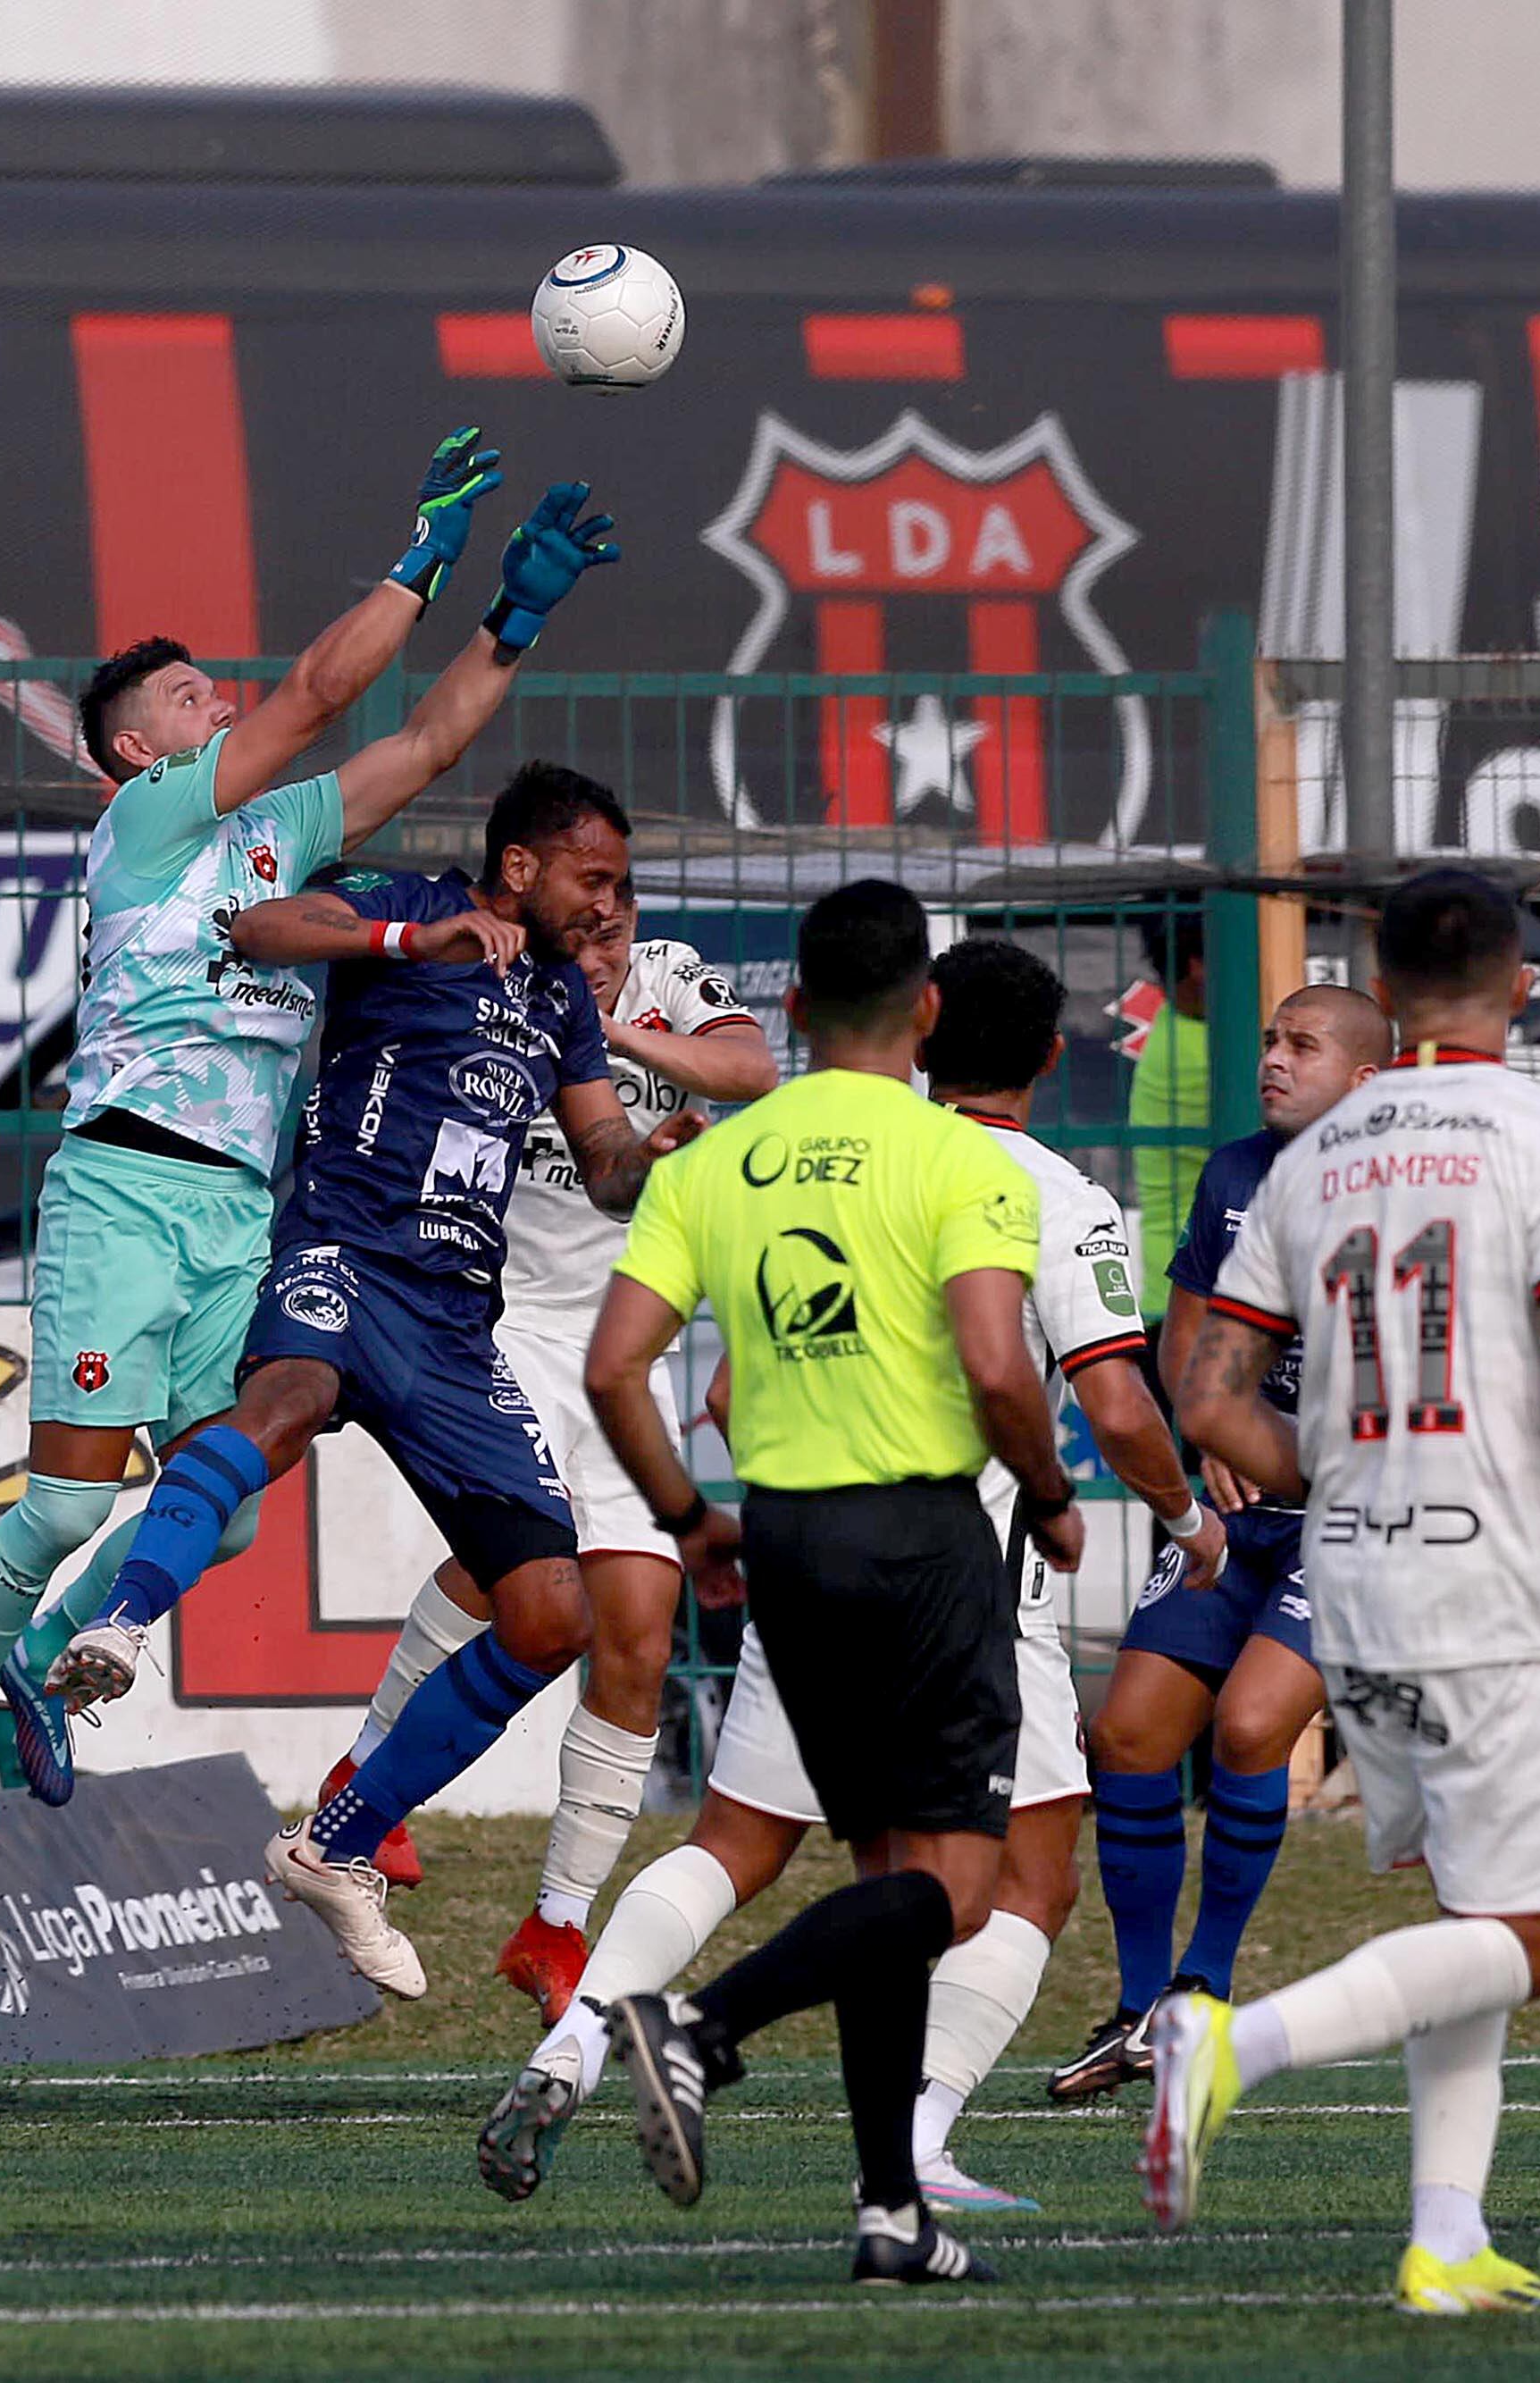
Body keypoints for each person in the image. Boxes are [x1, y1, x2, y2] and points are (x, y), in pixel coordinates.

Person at [0, 440, 624, 1861]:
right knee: (61, 1498)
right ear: (132, 750)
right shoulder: (150, 820)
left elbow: (425, 744)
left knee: (220, 1517)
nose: (215, 703)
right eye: (186, 699)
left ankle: (52, 1657)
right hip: (125, 1173)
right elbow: (321, 692)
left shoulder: (276, 839)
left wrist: (512, 618)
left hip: (240, 1209)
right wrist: (421, 554)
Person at [477, 935, 1224, 2226]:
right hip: (963, 1586)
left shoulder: (773, 1158)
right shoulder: (1035, 1189)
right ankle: (879, 2122)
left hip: (791, 1547)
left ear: (920, 1031)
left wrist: (695, 1517)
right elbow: (1100, 1390)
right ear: (1050, 1055)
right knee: (1005, 1880)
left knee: (736, 1843)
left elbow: (704, 1386)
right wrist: (1169, 1511)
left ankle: (574, 2052)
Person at [1156, 868, 1540, 2315]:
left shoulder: (1309, 1159)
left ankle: (1446, 2238)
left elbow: (1210, 1393)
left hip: (1351, 1575)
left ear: (1384, 987)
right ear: (1521, 983)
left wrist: (1329, 1473)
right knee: (1533, 1940)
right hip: (1483, 1577)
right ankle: (1231, 2042)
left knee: (1475, 1901)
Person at [42, 764, 698, 1995]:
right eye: (593, 877)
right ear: (520, 867)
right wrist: (412, 932)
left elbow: (601, 1147)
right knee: (280, 1403)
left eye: (621, 882)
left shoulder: (559, 995)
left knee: (553, 1608)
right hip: (346, 1246)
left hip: (456, 1321)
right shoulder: (406, 905)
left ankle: (335, 1845)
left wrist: (650, 1159)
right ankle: (123, 1623)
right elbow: (255, 923)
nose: (612, 903)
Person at [566, 879, 1076, 2289]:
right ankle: (697, 2030)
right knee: (961, 1888)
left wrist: (688, 1517)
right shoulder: (961, 1159)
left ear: (787, 1009)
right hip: (924, 1541)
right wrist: (1045, 1490)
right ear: (924, 1011)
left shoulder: (712, 1162)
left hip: (783, 1542)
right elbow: (994, 1363)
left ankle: (891, 2212)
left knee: (881, 1875)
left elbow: (618, 1366)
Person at [322, 890, 772, 2004]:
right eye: (579, 944)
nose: (601, 955)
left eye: (611, 936)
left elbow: (752, 1068)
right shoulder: (485, 986)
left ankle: (555, 1925)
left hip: (623, 1346)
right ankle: (363, 1781)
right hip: (498, 1322)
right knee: (510, 1567)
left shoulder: (662, 974)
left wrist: (601, 1028)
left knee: (637, 1633)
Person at [1051, 981, 1392, 2104]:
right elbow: (1188, 1330)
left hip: (1347, 1511)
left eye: (1303, 1045)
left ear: (1367, 1078)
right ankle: (1141, 2005)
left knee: (1250, 1725)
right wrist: (1207, 1441)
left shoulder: (1396, 1190)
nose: (1274, 1060)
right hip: (1240, 1506)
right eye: (1269, 1040)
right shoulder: (1234, 1173)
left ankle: (1205, 1989)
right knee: (1130, 1733)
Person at [1129, 913, 1214, 1286]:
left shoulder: (1174, 1026)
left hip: (1175, 1287)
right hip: (1199, 1295)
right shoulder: (1205, 1054)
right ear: (1199, 967)